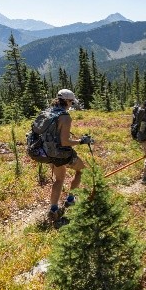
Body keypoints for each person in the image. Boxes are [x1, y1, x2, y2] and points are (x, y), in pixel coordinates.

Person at [47, 89, 89, 222]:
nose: (71, 104)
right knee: (81, 170)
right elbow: (65, 142)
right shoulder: (65, 117)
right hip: (61, 153)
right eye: (71, 101)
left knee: (59, 179)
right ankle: (70, 200)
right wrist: (81, 141)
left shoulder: (49, 112)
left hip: (48, 152)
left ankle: (53, 209)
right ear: (66, 101)